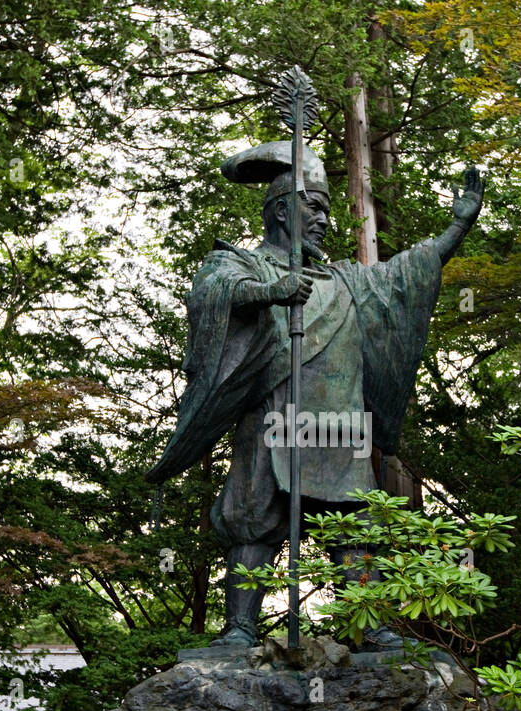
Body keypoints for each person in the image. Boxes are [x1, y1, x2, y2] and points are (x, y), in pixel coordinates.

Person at [146, 140, 484, 646]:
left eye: (327, 210)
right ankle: (240, 628)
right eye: (315, 208)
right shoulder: (245, 265)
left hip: (338, 426)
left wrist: (457, 228)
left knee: (356, 527)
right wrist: (270, 293)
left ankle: (368, 626)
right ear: (281, 210)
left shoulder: (347, 281)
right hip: (273, 419)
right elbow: (213, 293)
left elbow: (403, 278)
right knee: (254, 519)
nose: (326, 220)